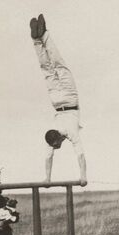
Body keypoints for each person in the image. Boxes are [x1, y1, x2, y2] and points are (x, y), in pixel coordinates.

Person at [30, 13, 87, 185]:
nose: (57, 147)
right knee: (48, 68)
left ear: (57, 140)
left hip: (69, 100)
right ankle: (38, 40)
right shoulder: (52, 131)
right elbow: (79, 154)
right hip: (57, 101)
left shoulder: (68, 132)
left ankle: (43, 36)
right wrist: (47, 178)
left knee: (58, 66)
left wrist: (82, 176)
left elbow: (80, 154)